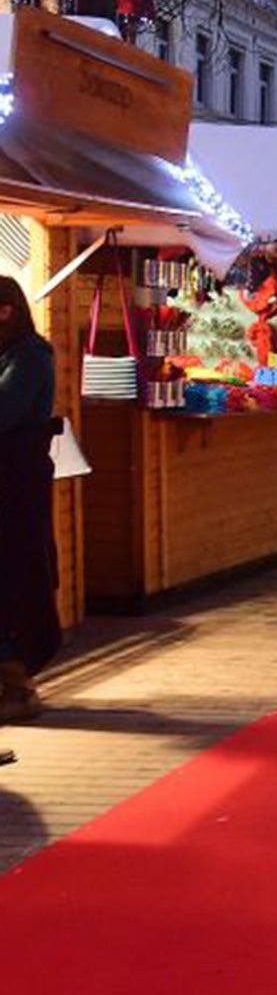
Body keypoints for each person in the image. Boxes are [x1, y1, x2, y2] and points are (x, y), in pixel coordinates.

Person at [0, 276, 59, 725]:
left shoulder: (31, 357)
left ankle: (17, 683)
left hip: (15, 488)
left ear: (6, 311)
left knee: (17, 578)